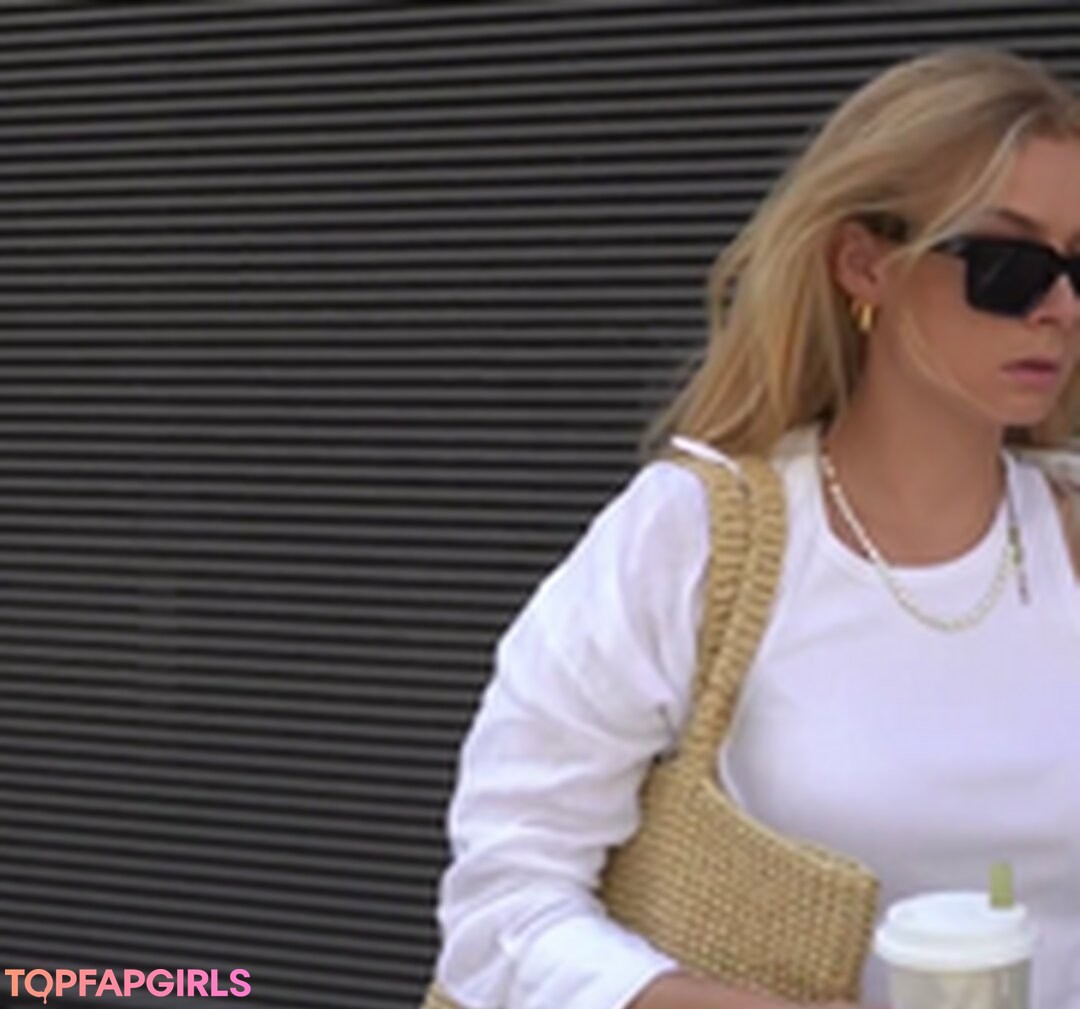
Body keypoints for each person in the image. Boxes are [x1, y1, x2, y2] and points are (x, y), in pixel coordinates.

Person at [429, 46, 1080, 1009]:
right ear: (865, 263)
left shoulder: (1066, 535)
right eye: (1008, 264)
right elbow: (503, 900)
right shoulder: (697, 537)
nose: (1060, 307)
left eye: (1079, 266)